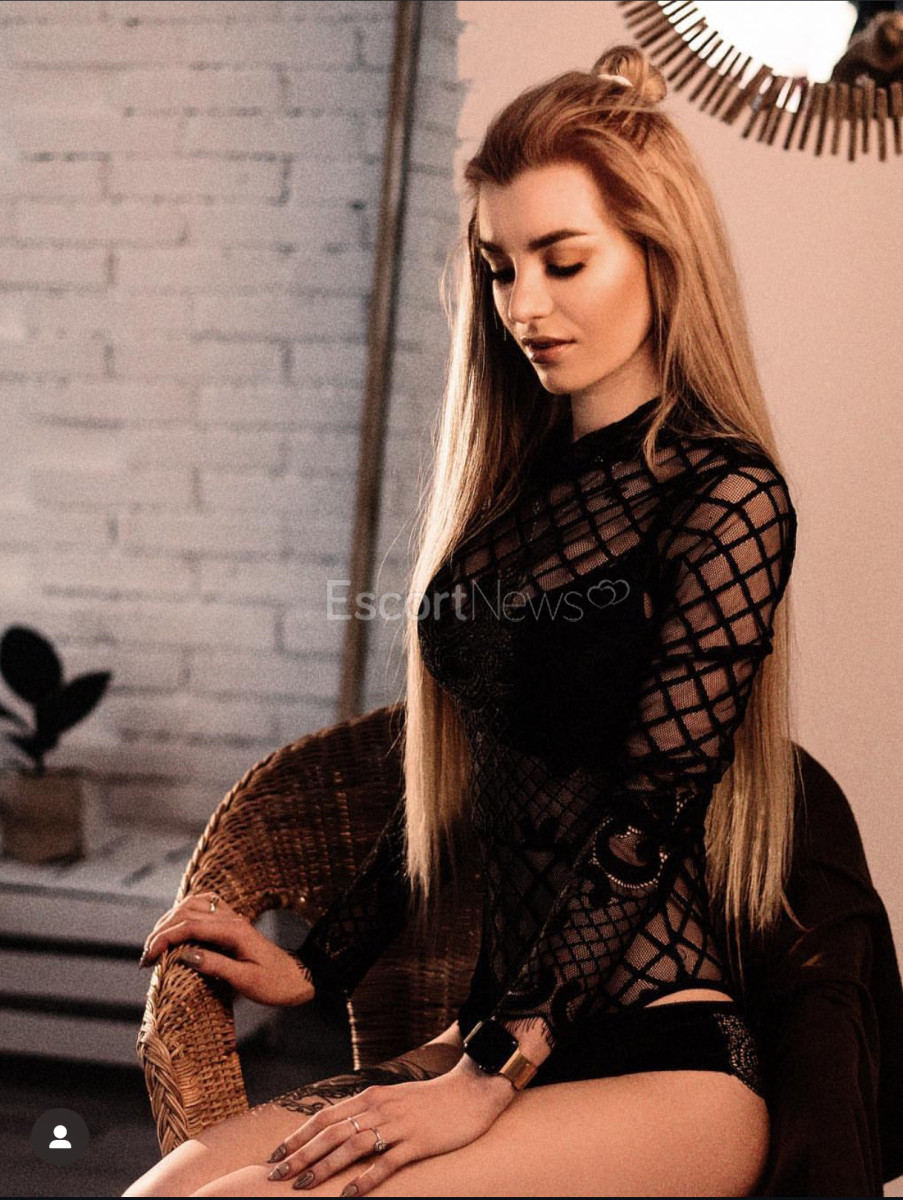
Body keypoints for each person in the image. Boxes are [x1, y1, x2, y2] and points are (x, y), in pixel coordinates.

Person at [125, 44, 801, 1198]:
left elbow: (646, 819)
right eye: (499, 268)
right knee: (165, 1196)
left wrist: (484, 1076)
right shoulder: (514, 500)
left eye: (564, 260)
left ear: (660, 252)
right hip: (486, 1042)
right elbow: (468, 772)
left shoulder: (726, 497)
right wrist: (319, 965)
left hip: (659, 1058)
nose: (524, 304)